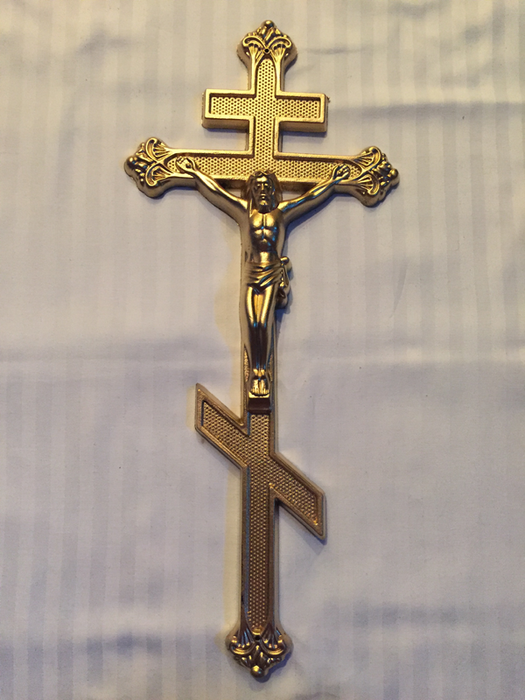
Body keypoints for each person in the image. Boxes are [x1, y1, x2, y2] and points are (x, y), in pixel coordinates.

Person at [176, 157, 351, 404]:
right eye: (257, 187)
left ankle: (261, 374)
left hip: (271, 272)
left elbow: (309, 198)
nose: (262, 191)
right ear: (252, 191)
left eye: (266, 187)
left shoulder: (282, 213)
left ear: (273, 190)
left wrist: (332, 181)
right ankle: (255, 371)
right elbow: (217, 192)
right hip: (251, 273)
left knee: (264, 322)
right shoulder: (244, 212)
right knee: (252, 323)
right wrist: (195, 173)